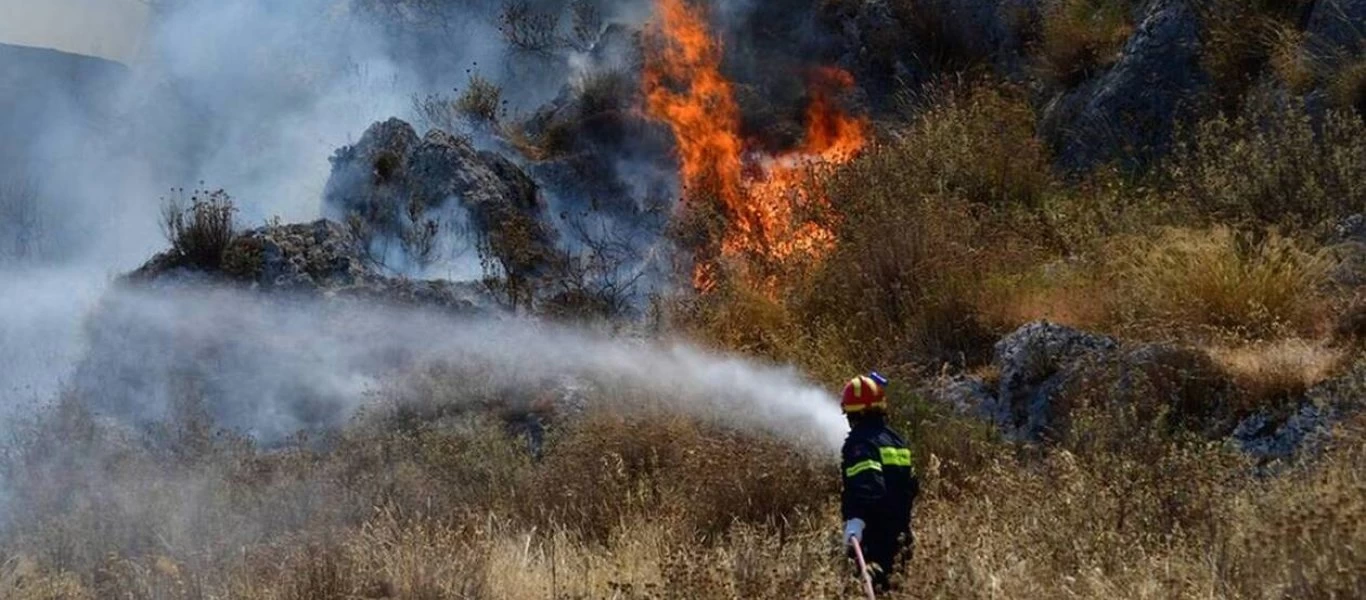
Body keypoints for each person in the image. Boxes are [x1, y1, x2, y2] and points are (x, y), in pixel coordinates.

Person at [840, 372, 918, 591]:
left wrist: (857, 521)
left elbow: (868, 485)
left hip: (873, 542)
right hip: (902, 538)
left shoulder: (859, 443)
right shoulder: (896, 440)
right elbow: (912, 485)